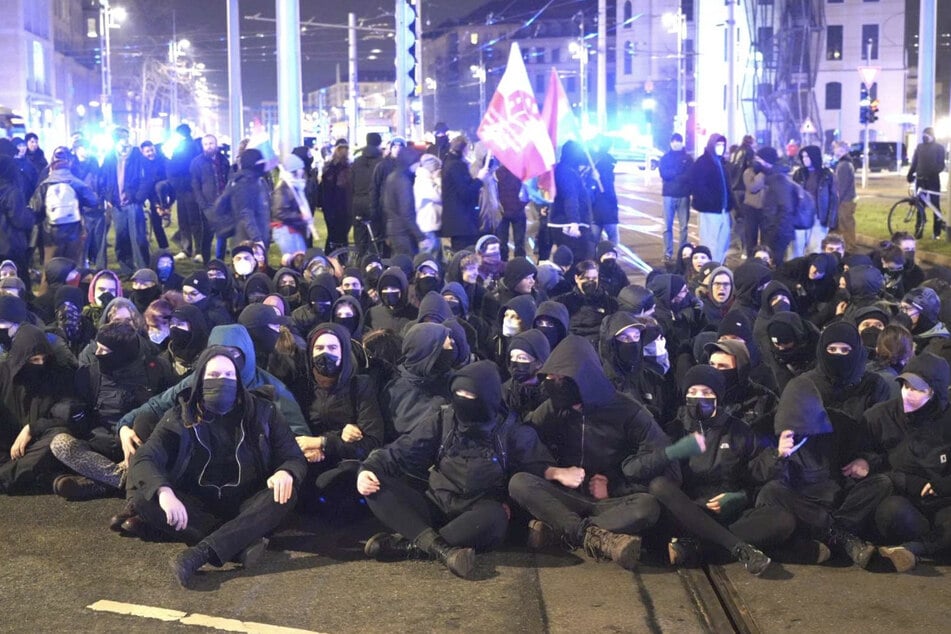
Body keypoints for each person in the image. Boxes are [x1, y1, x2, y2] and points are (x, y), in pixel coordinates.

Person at [125, 346, 307, 587]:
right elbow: (145, 457)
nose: (221, 382)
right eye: (213, 376)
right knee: (143, 498)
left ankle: (199, 554)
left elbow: (293, 456)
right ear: (200, 380)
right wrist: (164, 491)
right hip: (198, 503)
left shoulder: (264, 411)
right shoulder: (180, 415)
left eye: (228, 376)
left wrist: (286, 472)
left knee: (284, 495)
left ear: (238, 380)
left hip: (247, 501)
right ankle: (239, 545)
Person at [359, 361, 555, 579]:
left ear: (488, 397)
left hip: (477, 513)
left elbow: (534, 471)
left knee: (495, 518)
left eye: (469, 395)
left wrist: (510, 503)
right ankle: (443, 551)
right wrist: (368, 468)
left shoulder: (511, 430)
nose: (462, 400)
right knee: (376, 486)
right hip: (436, 503)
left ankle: (408, 546)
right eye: (457, 393)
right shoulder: (443, 420)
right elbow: (401, 450)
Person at [509, 335, 673, 570]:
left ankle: (562, 531)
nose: (552, 383)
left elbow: (659, 455)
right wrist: (554, 472)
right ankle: (594, 536)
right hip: (566, 495)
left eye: (560, 378)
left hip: (610, 502)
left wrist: (615, 486)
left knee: (647, 507)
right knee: (519, 483)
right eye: (550, 377)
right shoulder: (554, 407)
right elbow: (523, 440)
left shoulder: (627, 410)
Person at [647, 365, 781, 574]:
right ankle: (739, 548)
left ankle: (695, 548)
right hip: (688, 512)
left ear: (718, 396)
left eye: (707, 392)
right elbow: (665, 477)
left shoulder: (738, 430)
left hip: (727, 512)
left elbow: (753, 475)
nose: (699, 397)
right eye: (693, 392)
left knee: (782, 520)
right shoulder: (674, 429)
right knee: (658, 487)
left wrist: (739, 497)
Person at [861, 353, 951, 572]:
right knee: (890, 512)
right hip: (903, 498)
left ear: (935, 392)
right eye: (906, 386)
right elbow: (871, 464)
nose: (908, 394)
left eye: (918, 389)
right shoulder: (879, 416)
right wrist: (907, 481)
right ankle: (932, 546)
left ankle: (913, 549)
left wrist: (943, 485)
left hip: (943, 500)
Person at [0, 324, 78, 493]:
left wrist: (32, 429)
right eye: (34, 360)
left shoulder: (55, 375)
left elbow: (64, 416)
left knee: (59, 435)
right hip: (4, 445)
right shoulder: (3, 374)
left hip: (35, 446)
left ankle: (8, 478)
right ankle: (36, 478)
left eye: (43, 359)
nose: (40, 364)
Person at [31, 146, 98, 266]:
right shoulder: (75, 182)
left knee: (51, 268)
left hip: (50, 233)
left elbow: (35, 207)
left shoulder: (45, 184)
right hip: (74, 231)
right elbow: (93, 201)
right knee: (74, 266)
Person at [99, 128, 151, 276]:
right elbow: (103, 178)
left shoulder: (137, 156)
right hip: (117, 204)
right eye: (122, 137)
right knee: (121, 238)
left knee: (139, 238)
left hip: (133, 203)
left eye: (126, 137)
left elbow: (147, 178)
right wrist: (108, 196)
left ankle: (143, 269)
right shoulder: (110, 157)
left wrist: (139, 197)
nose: (125, 140)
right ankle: (126, 269)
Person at [689, 134, 733, 264]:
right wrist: (708, 200)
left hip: (723, 209)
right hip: (709, 210)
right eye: (718, 145)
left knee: (723, 242)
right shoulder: (703, 162)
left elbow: (727, 186)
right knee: (709, 242)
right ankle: (709, 269)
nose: (721, 147)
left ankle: (718, 266)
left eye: (723, 145)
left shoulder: (721, 162)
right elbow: (697, 185)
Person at [549, 140, 594, 263]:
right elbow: (571, 197)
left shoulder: (564, 169)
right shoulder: (567, 172)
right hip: (567, 223)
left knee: (572, 258)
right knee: (576, 259)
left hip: (564, 221)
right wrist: (573, 222)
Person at [441, 135, 486, 251]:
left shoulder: (449, 162)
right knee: (465, 255)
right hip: (462, 222)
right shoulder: (457, 166)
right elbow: (465, 192)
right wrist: (479, 179)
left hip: (457, 222)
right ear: (464, 149)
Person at [190, 134, 230, 262]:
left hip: (223, 203)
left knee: (222, 234)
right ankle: (206, 261)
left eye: (211, 143)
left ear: (216, 144)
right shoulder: (197, 163)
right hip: (208, 204)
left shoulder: (224, 160)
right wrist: (202, 204)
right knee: (208, 233)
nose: (209, 146)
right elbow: (195, 185)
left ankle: (220, 261)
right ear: (202, 146)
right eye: (206, 144)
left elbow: (227, 179)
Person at [793, 145, 837, 255]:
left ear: (814, 157)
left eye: (807, 156)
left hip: (819, 217)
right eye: (803, 157)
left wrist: (830, 221)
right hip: (801, 217)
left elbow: (833, 198)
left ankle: (811, 271)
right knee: (797, 248)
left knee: (815, 248)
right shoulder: (799, 174)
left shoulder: (826, 175)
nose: (805, 159)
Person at [0, 156, 34, 294]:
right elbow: (20, 219)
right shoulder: (12, 191)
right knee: (18, 281)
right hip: (11, 244)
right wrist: (32, 216)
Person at [383, 145, 424, 257]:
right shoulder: (403, 181)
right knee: (408, 267)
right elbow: (406, 212)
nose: (419, 166)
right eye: (417, 162)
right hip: (403, 233)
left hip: (394, 230)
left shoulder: (393, 177)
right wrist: (420, 236)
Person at [907, 126, 946, 239]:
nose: (924, 137)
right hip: (920, 180)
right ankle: (919, 231)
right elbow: (915, 162)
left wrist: (932, 172)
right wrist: (910, 174)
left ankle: (936, 232)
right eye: (923, 135)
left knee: (935, 206)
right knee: (920, 206)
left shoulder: (939, 148)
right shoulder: (919, 147)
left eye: (927, 135)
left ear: (932, 136)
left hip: (933, 180)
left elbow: (941, 165)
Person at [659, 133, 693, 263]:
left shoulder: (688, 158)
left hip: (683, 195)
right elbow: (664, 173)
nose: (676, 143)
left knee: (683, 226)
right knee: (667, 226)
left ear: (682, 142)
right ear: (670, 142)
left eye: (678, 141)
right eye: (674, 141)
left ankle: (682, 252)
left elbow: (689, 175)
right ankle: (668, 253)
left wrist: (674, 175)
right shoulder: (665, 158)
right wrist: (678, 173)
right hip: (668, 194)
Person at [271, 154, 313, 257]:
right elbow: (279, 212)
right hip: (286, 231)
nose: (302, 171)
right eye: (300, 169)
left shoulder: (294, 186)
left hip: (293, 229)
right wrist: (300, 216)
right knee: (295, 260)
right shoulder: (284, 188)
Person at [229, 149, 272, 251]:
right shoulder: (244, 183)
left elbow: (266, 208)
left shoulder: (260, 181)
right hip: (247, 240)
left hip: (261, 235)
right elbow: (246, 213)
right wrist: (257, 239)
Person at [318, 139, 352, 253]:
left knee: (337, 236)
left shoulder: (335, 167)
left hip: (340, 207)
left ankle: (336, 257)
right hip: (337, 207)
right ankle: (336, 258)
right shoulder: (332, 168)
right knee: (336, 236)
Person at [139, 140, 171, 250]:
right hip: (149, 194)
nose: (150, 153)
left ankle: (164, 209)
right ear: (142, 152)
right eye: (147, 151)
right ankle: (163, 247)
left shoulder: (163, 160)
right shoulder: (141, 165)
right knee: (156, 222)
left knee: (159, 186)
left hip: (163, 191)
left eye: (152, 150)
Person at [590, 136, 619, 244]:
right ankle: (610, 258)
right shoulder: (605, 163)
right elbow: (609, 188)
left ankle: (595, 258)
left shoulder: (596, 161)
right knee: (613, 239)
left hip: (596, 208)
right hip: (606, 208)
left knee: (594, 241)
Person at [414, 153, 443, 256]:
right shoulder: (423, 181)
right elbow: (439, 195)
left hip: (431, 225)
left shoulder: (424, 180)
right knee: (429, 257)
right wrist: (438, 179)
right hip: (427, 226)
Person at [831, 141, 857, 252]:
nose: (837, 152)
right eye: (836, 149)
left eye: (841, 150)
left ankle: (849, 248)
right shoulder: (846, 163)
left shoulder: (843, 165)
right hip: (848, 199)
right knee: (847, 224)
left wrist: (836, 201)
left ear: (845, 151)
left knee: (845, 225)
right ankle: (849, 246)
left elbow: (841, 187)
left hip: (845, 201)